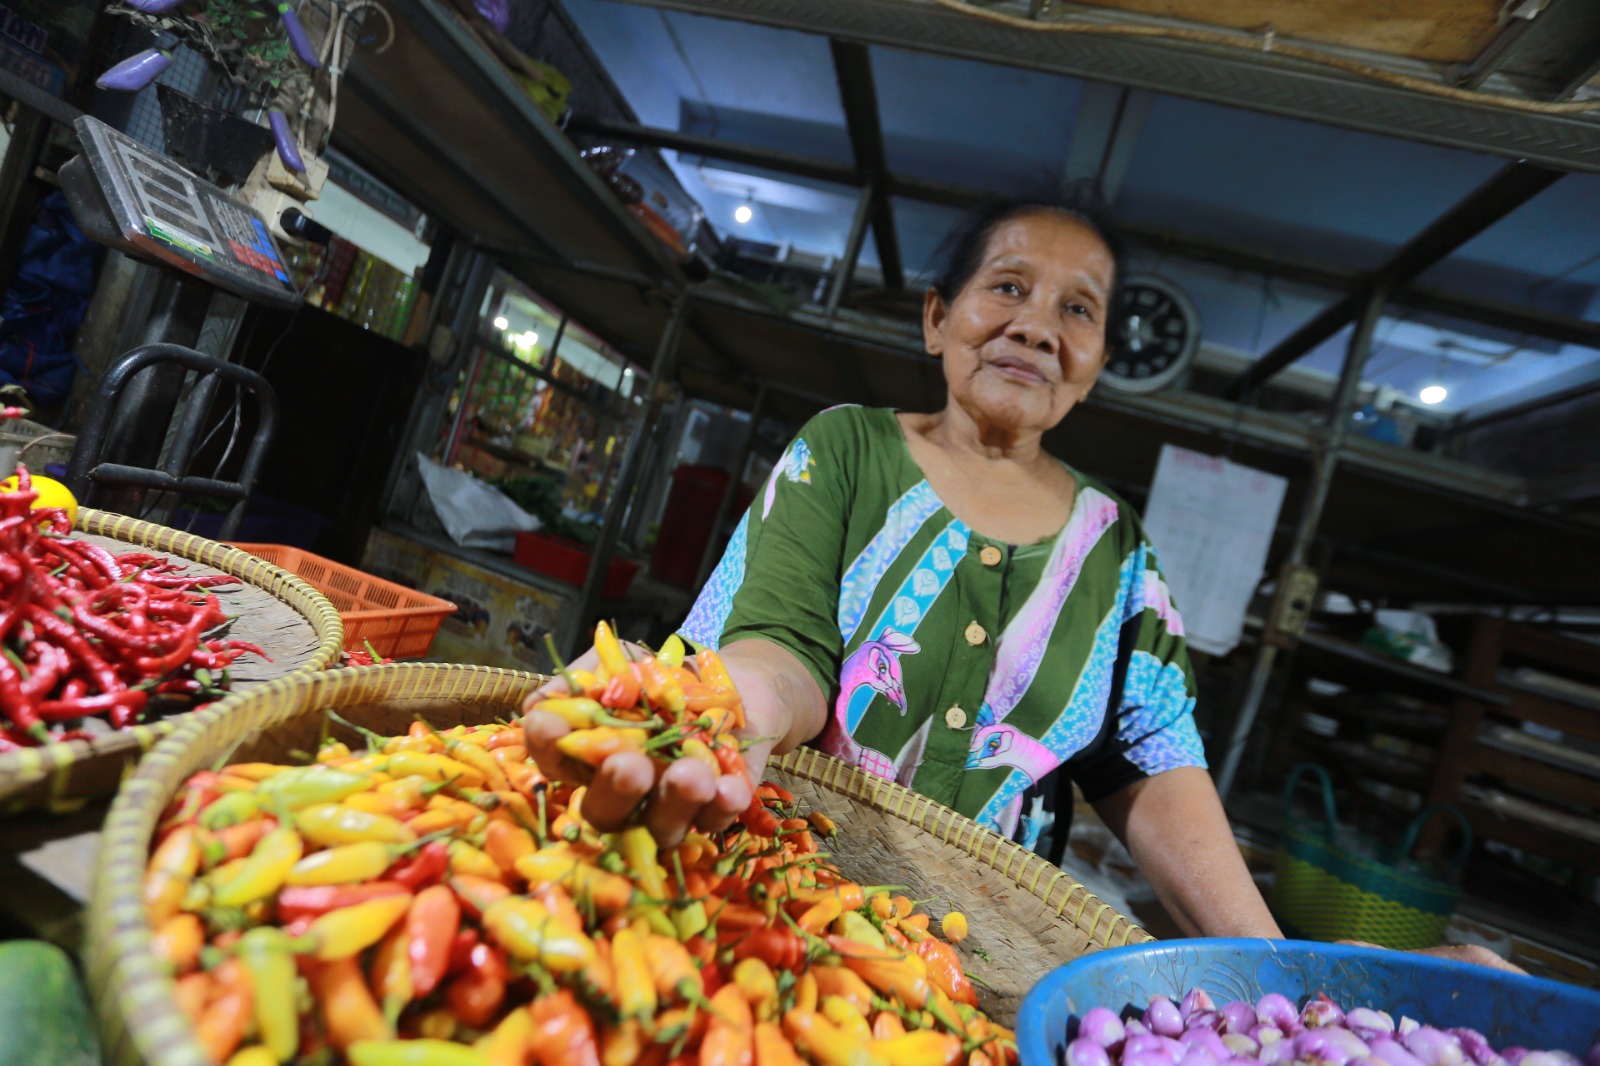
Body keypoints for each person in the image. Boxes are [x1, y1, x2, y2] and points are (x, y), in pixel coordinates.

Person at [523, 187, 1512, 965]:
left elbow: (1154, 765)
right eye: (1007, 287)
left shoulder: (1117, 551)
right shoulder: (846, 452)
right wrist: (724, 722)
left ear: (1093, 363)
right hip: (768, 905)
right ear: (936, 318)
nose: (1036, 325)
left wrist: (1276, 965)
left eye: (1075, 309)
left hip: (977, 961)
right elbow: (780, 644)